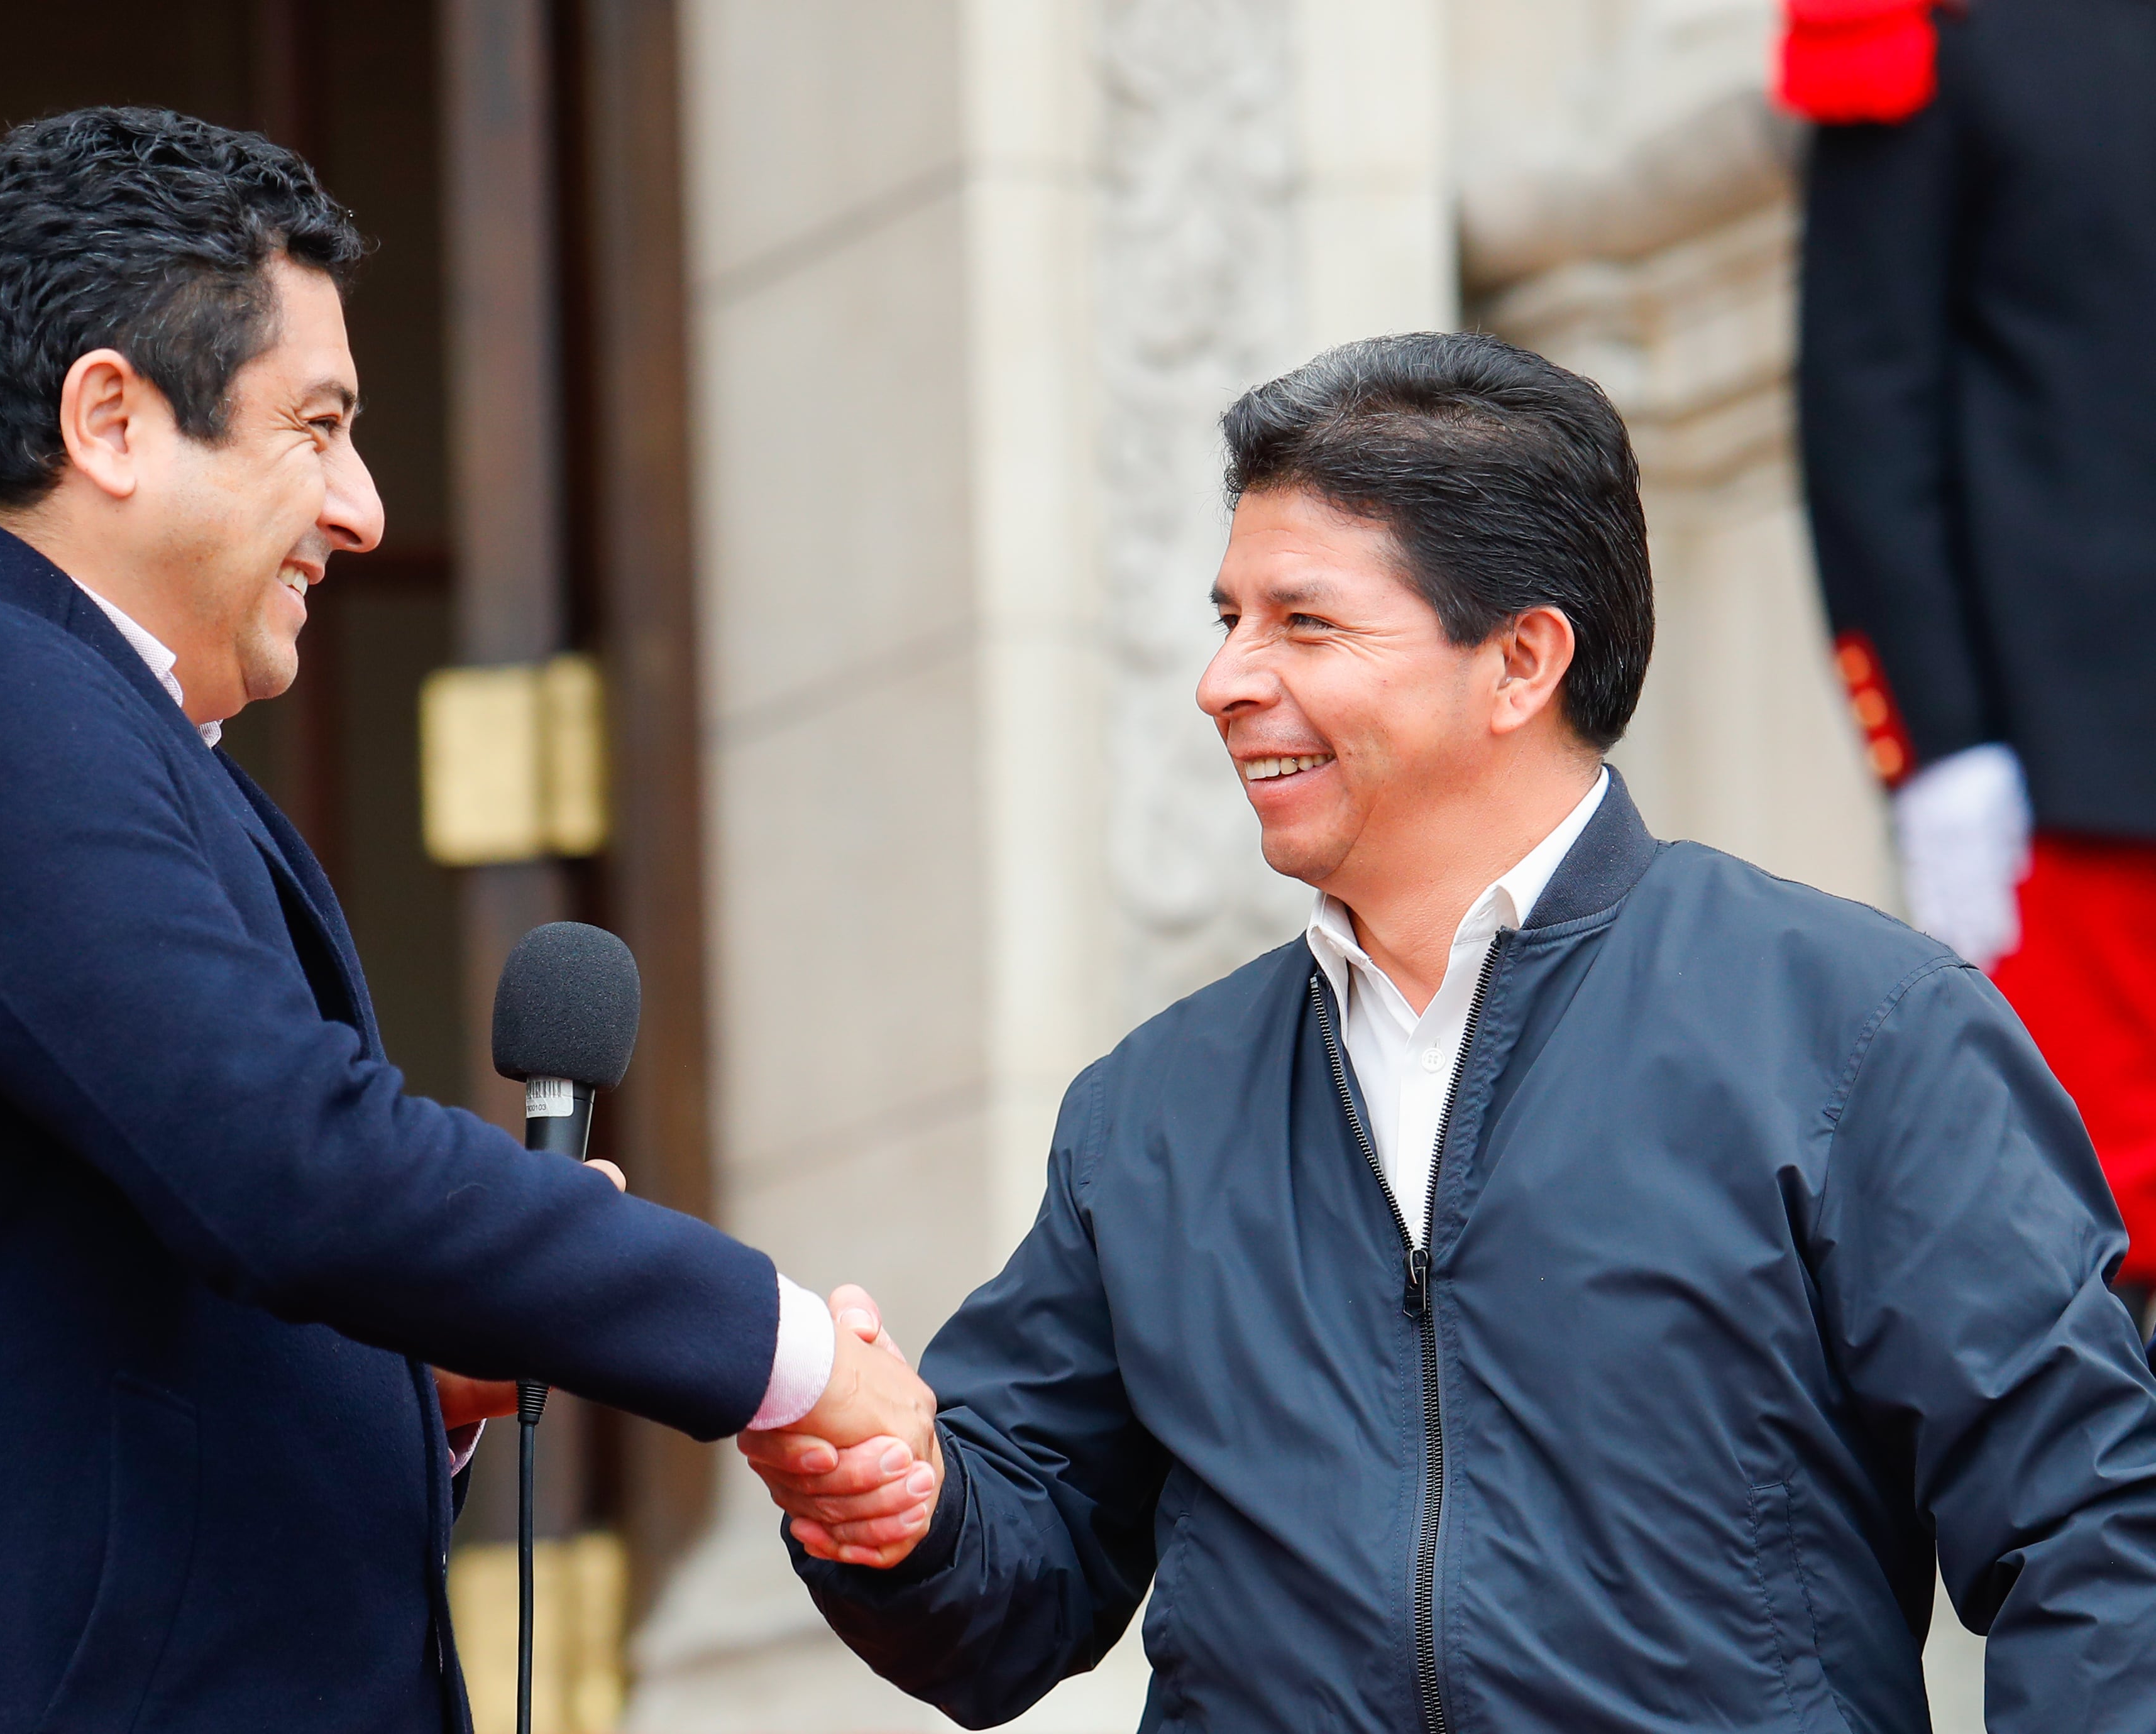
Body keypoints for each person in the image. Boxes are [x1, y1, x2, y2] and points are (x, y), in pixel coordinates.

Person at [0, 108, 923, 1733]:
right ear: (110, 418)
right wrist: (781, 1352)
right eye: (316, 427)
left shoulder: (35, 706)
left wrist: (416, 1390)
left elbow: (142, 1253)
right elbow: (284, 1161)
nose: (363, 511)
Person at [742, 333, 2156, 1729]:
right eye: (1226, 618)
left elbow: (2092, 1533)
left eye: (1303, 623)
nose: (1224, 680)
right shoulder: (1150, 1111)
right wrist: (898, 1507)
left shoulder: (1860, 1030)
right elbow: (1013, 1604)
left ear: (1524, 661)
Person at [1793, 0, 2156, 1316]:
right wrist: (1937, 743)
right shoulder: (1935, 28)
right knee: (2068, 1276)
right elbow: (1865, 399)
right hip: (2079, 779)